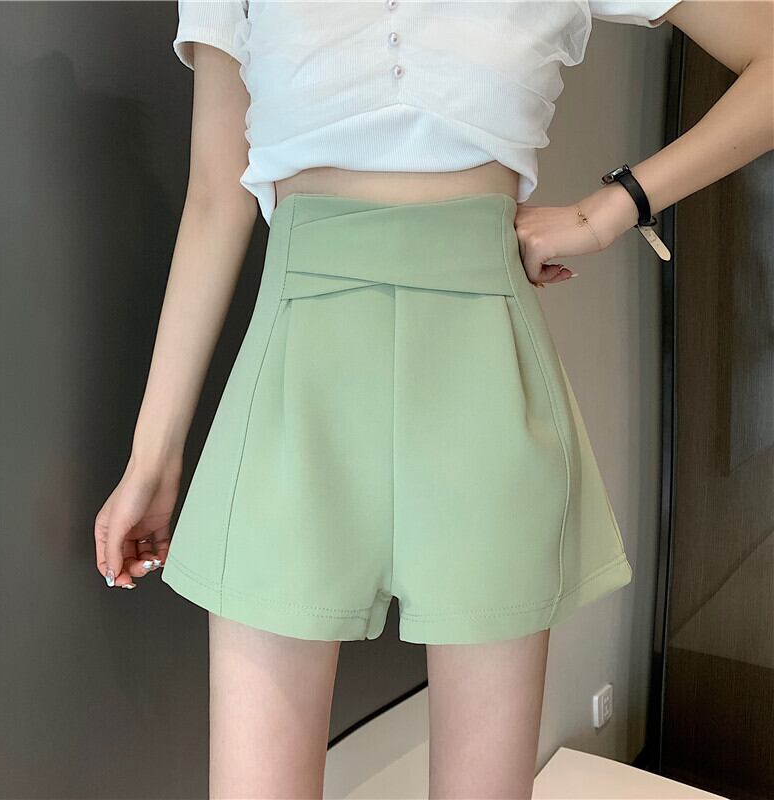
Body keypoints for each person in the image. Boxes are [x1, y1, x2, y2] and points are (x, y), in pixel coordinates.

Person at [93, 1, 773, 796]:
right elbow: (217, 193)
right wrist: (152, 458)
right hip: (294, 386)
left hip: (484, 386)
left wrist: (608, 210)